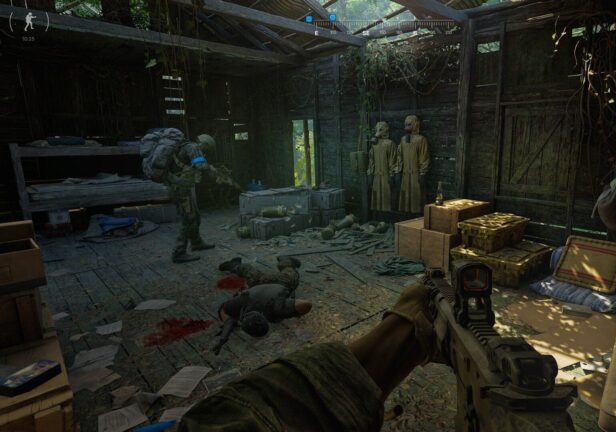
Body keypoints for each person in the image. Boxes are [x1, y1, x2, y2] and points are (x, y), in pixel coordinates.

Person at [179, 279, 435, 431]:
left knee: (237, 411)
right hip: (274, 289)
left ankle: (407, 333)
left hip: (277, 285)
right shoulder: (246, 305)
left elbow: (304, 305)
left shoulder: (243, 306)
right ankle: (408, 333)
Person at [212, 256, 312, 354]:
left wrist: (294, 310)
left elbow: (306, 304)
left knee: (289, 272)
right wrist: (224, 337)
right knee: (248, 271)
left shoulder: (276, 308)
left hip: (277, 282)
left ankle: (286, 261)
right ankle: (235, 265)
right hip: (259, 284)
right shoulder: (241, 302)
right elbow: (226, 314)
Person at [167, 134, 239, 263]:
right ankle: (178, 252)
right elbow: (201, 166)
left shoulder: (188, 147)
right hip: (180, 189)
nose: (206, 152)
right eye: (207, 149)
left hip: (182, 187)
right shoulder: (193, 148)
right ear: (205, 145)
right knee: (188, 219)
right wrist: (217, 173)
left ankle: (196, 243)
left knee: (195, 216)